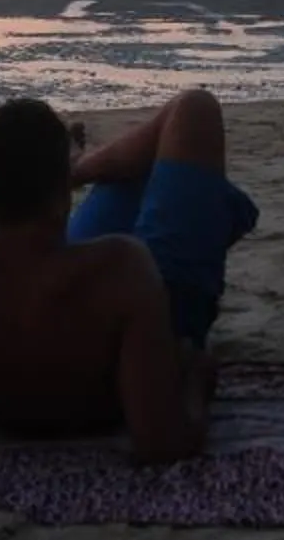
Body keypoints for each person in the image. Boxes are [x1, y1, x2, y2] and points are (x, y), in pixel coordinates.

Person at [0, 96, 218, 462]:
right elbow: (162, 445)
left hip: (60, 285)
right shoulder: (125, 267)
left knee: (130, 178)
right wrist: (195, 380)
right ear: (63, 192)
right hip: (123, 307)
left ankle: (77, 164)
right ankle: (78, 167)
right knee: (195, 110)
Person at [61, 87, 259, 348]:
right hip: (144, 303)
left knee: (139, 170)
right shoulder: (144, 316)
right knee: (193, 110)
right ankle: (74, 170)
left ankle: (73, 169)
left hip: (61, 274)